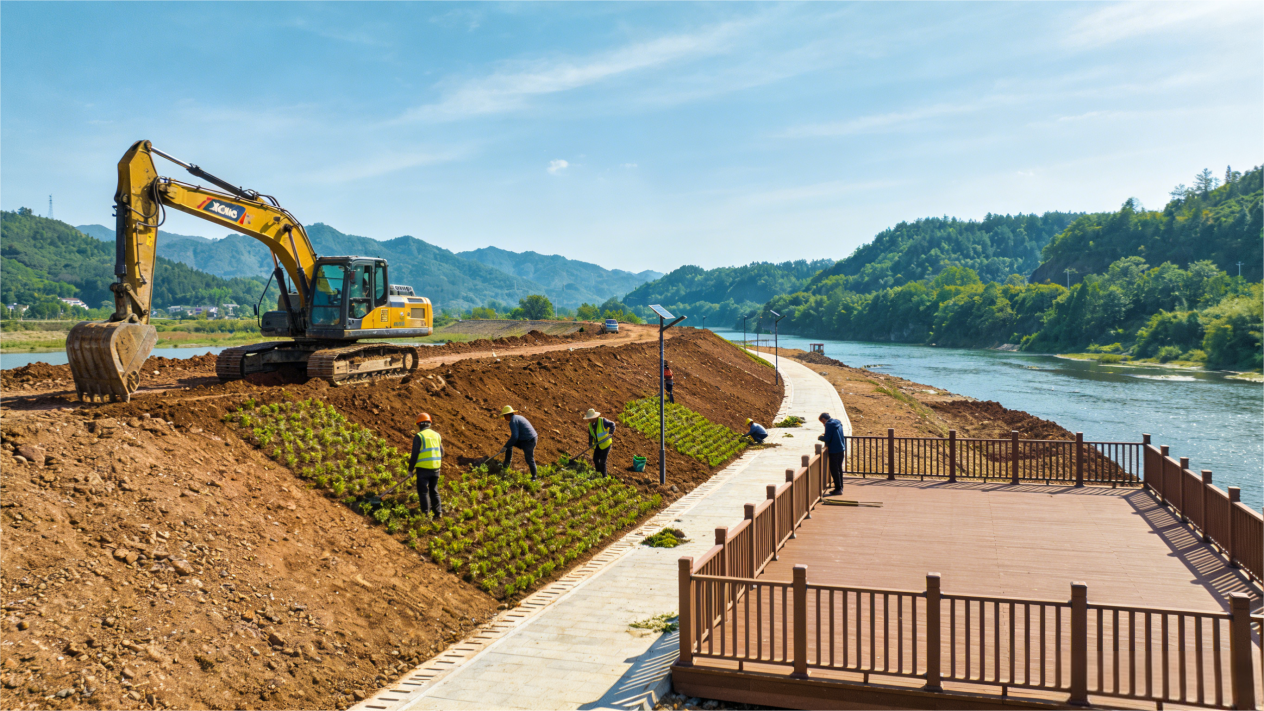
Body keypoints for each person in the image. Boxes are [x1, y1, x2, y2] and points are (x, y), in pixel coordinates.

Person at [408, 412, 444, 516]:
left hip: (423, 470)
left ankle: (425, 515)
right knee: (434, 490)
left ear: (419, 424)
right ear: (429, 423)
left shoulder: (419, 436)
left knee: (423, 492)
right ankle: (438, 513)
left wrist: (410, 470)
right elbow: (442, 452)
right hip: (436, 469)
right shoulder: (437, 435)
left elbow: (414, 455)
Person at [500, 405, 539, 479]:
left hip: (528, 440)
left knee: (529, 458)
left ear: (508, 415)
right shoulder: (517, 417)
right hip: (529, 438)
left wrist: (505, 447)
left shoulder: (513, 421)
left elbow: (515, 437)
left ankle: (534, 477)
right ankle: (506, 464)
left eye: (505, 416)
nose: (504, 418)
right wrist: (507, 445)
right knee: (510, 444)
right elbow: (514, 438)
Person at [817, 412, 846, 495]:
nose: (823, 424)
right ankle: (840, 487)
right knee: (839, 468)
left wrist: (820, 437)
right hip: (841, 448)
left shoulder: (828, 424)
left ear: (823, 419)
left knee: (834, 469)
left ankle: (838, 488)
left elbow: (827, 439)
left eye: (822, 422)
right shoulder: (838, 422)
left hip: (834, 450)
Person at [582, 408, 616, 476]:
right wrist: (590, 443)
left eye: (590, 418)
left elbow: (612, 424)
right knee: (595, 459)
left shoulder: (603, 421)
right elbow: (591, 435)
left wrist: (610, 433)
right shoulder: (590, 425)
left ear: (594, 417)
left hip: (606, 444)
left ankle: (604, 477)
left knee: (602, 462)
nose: (588, 420)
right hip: (598, 444)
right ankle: (598, 473)